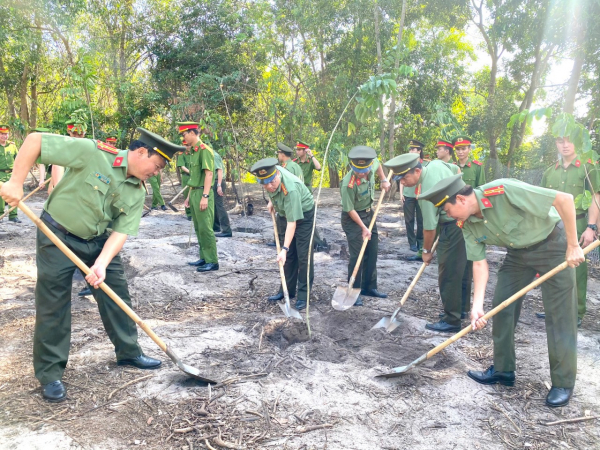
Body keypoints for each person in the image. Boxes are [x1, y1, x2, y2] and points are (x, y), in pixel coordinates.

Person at [0, 127, 183, 402]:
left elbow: (121, 231)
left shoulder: (137, 191)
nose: (156, 173)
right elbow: (35, 141)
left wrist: (101, 264)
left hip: (98, 241)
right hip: (56, 234)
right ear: (141, 152)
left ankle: (129, 353)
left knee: (116, 291)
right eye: (156, 166)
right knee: (54, 302)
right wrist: (15, 182)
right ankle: (50, 374)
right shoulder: (93, 152)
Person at [420, 174, 584, 407]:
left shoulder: (503, 190)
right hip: (517, 255)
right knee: (500, 308)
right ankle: (503, 370)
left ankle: (563, 382)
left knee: (560, 316)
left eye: (447, 210)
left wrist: (573, 245)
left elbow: (564, 199)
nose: (448, 216)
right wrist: (477, 308)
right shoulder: (465, 223)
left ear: (461, 199)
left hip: (553, 245)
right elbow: (479, 264)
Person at [385, 153, 468, 332]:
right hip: (465, 219)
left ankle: (451, 320)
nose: (403, 183)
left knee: (449, 273)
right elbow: (456, 171)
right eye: (400, 179)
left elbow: (429, 227)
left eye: (405, 178)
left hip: (453, 225)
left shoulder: (428, 191)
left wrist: (426, 251)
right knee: (462, 269)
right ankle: (460, 310)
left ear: (417, 170)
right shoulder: (437, 164)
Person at [538, 135, 600, 327]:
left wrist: (591, 226)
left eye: (569, 140)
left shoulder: (588, 167)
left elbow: (595, 197)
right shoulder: (550, 171)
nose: (565, 145)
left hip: (579, 223)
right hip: (553, 226)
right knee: (551, 267)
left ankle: (576, 312)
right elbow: (542, 201)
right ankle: (553, 309)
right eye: (560, 141)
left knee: (577, 268)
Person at [251, 157, 315, 310]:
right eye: (265, 184)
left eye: (272, 182)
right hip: (285, 213)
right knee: (289, 257)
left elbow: (292, 223)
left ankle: (303, 296)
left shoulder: (290, 189)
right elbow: (273, 188)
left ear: (277, 175)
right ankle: (286, 291)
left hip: (304, 215)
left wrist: (284, 249)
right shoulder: (272, 175)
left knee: (303, 256)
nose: (269, 186)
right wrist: (273, 201)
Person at [340, 146, 391, 306]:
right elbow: (349, 209)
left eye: (364, 170)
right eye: (358, 170)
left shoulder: (371, 165)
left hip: (369, 214)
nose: (362, 173)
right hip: (353, 219)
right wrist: (363, 228)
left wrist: (383, 179)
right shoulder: (348, 183)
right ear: (352, 166)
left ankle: (369, 287)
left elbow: (378, 164)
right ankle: (353, 291)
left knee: (372, 250)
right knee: (357, 256)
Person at [179, 121, 219, 272]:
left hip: (203, 192)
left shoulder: (204, 150)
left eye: (184, 134)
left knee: (206, 228)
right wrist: (189, 196)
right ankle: (204, 257)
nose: (184, 138)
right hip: (195, 191)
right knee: (198, 227)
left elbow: (209, 174)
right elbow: (195, 177)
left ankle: (212, 261)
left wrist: (205, 196)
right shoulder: (193, 152)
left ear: (192, 133)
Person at [294, 140, 327, 252]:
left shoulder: (310, 161)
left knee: (309, 217)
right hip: (296, 191)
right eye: (297, 150)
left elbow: (318, 168)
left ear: (305, 150)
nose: (297, 152)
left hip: (306, 191)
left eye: (299, 150)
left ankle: (317, 243)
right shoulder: (295, 162)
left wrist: (311, 155)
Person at [401, 140, 425, 258]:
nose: (411, 151)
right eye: (410, 149)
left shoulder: (425, 164)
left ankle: (420, 242)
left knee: (421, 220)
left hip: (421, 195)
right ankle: (412, 243)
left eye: (414, 149)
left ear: (419, 151)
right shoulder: (406, 164)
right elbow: (402, 178)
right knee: (409, 219)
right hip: (408, 194)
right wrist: (401, 193)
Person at [0, 124, 21, 223]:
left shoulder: (12, 146)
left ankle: (13, 215)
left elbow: (18, 159)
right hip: (0, 174)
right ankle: (0, 215)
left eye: (6, 134)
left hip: (12, 174)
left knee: (13, 193)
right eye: (2, 134)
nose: (4, 136)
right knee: (1, 195)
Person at [212, 151, 232, 237]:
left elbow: (219, 170)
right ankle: (216, 226)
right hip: (214, 182)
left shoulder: (214, 155)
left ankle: (226, 230)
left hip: (217, 182)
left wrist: (219, 185)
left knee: (220, 206)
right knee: (214, 205)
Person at [176, 143, 193, 220]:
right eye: (186, 145)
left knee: (194, 194)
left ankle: (195, 212)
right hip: (187, 177)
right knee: (187, 194)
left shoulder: (195, 153)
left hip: (195, 177)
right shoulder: (182, 154)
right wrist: (191, 172)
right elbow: (182, 167)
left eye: (189, 145)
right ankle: (189, 213)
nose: (188, 146)